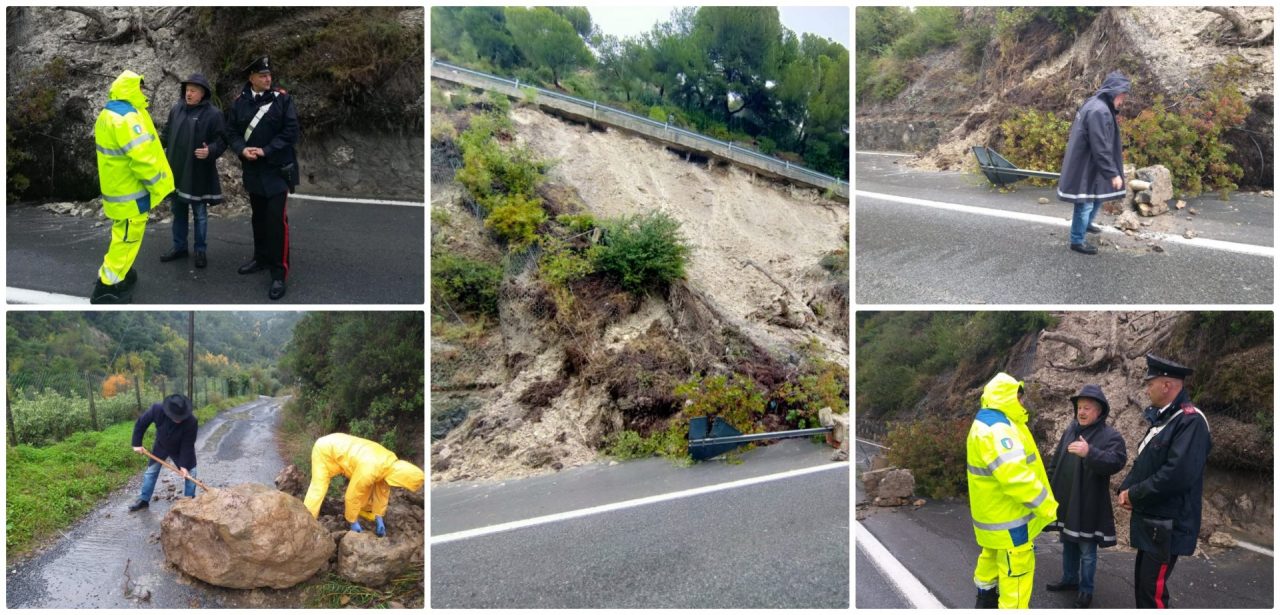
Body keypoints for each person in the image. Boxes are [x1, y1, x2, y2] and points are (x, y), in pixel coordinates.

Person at [1117, 354, 1211, 609]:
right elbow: (1146, 462)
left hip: (1168, 525)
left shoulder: (1190, 421)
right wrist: (1125, 488)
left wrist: (1135, 494)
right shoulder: (1165, 419)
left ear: (1167, 385)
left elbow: (1176, 476)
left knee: (1152, 594)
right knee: (1144, 587)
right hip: (1155, 523)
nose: (1147, 388)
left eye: (1151, 383)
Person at [967, 373, 1058, 608]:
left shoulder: (987, 422)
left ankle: (985, 601)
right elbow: (1016, 478)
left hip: (993, 518)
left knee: (989, 561)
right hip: (1010, 522)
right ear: (1007, 397)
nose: (1022, 403)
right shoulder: (999, 429)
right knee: (1016, 583)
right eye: (1019, 398)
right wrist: (1047, 507)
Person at [91, 70, 175, 304]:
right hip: (131, 193)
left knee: (122, 234)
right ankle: (107, 286)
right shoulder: (127, 117)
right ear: (130, 88)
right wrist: (160, 186)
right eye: (139, 87)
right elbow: (142, 158)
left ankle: (121, 273)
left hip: (117, 190)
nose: (142, 91)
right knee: (127, 238)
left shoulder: (108, 113)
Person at [1045, 384, 1127, 609]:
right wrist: (1049, 490)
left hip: (1089, 503)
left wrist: (1090, 452)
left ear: (1099, 412)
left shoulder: (1110, 435)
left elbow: (1116, 461)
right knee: (1068, 542)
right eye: (1079, 407)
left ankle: (1086, 589)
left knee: (1087, 550)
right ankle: (1069, 579)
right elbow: (1056, 462)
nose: (1081, 412)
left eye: (1087, 408)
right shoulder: (1070, 429)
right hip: (1067, 499)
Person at [227, 56, 299, 300]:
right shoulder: (240, 103)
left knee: (276, 222)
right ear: (251, 78)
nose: (268, 79)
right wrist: (241, 149)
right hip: (253, 170)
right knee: (258, 218)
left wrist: (266, 150)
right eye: (262, 75)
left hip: (277, 169)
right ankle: (261, 258)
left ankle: (279, 273)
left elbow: (291, 131)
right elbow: (231, 131)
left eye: (269, 74)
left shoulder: (282, 99)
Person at [1057, 70, 1131, 255]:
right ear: (1114, 92)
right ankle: (1077, 240)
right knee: (1085, 201)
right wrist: (1112, 173)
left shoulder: (1095, 104)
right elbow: (1100, 145)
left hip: (1089, 161)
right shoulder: (1100, 111)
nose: (1123, 100)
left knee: (1096, 194)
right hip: (1086, 162)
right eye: (1122, 95)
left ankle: (1087, 224)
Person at [160, 73, 227, 269]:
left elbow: (223, 140)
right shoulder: (176, 109)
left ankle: (200, 250)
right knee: (178, 210)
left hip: (198, 172)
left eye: (193, 91)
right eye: (187, 90)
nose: (188, 94)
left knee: (199, 213)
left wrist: (210, 151)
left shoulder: (214, 114)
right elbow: (166, 133)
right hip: (176, 170)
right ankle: (179, 247)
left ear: (202, 93)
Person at [303, 433, 425, 536]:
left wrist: (379, 516)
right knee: (318, 486)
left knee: (367, 487)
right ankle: (305, 522)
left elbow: (382, 492)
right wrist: (352, 521)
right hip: (325, 449)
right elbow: (352, 495)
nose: (399, 487)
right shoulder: (371, 469)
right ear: (401, 478)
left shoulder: (390, 465)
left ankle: (362, 511)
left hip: (342, 446)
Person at [127, 394, 199, 511]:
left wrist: (184, 466)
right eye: (176, 416)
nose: (178, 419)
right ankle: (144, 499)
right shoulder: (157, 409)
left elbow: (188, 445)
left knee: (191, 472)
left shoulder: (191, 421)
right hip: (161, 445)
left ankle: (189, 502)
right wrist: (137, 444)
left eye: (181, 417)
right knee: (151, 472)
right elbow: (141, 423)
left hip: (180, 449)